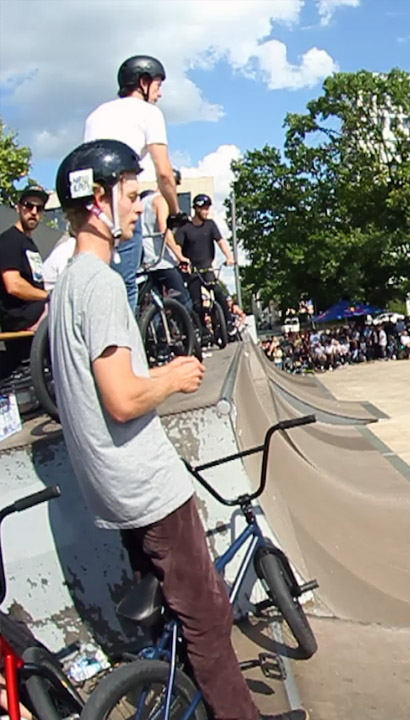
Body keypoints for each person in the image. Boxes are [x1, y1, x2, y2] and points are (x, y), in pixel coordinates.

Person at [47, 139, 306, 720]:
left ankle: (186, 698)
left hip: (109, 490)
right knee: (208, 616)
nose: (140, 208)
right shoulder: (102, 284)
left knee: (178, 611)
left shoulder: (65, 285)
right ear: (98, 200)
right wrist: (172, 376)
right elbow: (122, 398)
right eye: (132, 195)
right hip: (146, 487)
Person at [84, 55, 182, 313]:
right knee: (126, 282)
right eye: (158, 86)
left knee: (97, 273)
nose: (160, 94)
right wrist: (175, 210)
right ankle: (125, 347)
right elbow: (164, 173)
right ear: (143, 82)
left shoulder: (96, 114)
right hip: (119, 198)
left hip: (89, 201)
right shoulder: (149, 113)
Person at [0, 184, 51, 381]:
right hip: (20, 317)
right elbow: (13, 284)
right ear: (19, 208)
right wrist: (48, 296)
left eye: (39, 209)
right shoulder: (9, 241)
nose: (33, 212)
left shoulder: (29, 244)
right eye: (29, 206)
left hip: (35, 312)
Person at [177, 193, 235, 338]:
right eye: (203, 209)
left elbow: (221, 241)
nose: (206, 212)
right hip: (193, 270)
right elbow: (177, 246)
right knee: (196, 303)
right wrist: (182, 259)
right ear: (196, 209)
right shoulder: (185, 228)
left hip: (207, 266)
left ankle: (228, 322)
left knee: (218, 292)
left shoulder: (210, 225)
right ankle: (202, 330)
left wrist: (229, 256)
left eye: (207, 209)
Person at [137, 170, 193, 314]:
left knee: (154, 304)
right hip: (161, 261)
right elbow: (164, 230)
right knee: (184, 300)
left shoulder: (143, 202)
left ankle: (156, 335)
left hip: (145, 261)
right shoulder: (161, 201)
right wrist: (180, 257)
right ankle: (187, 334)